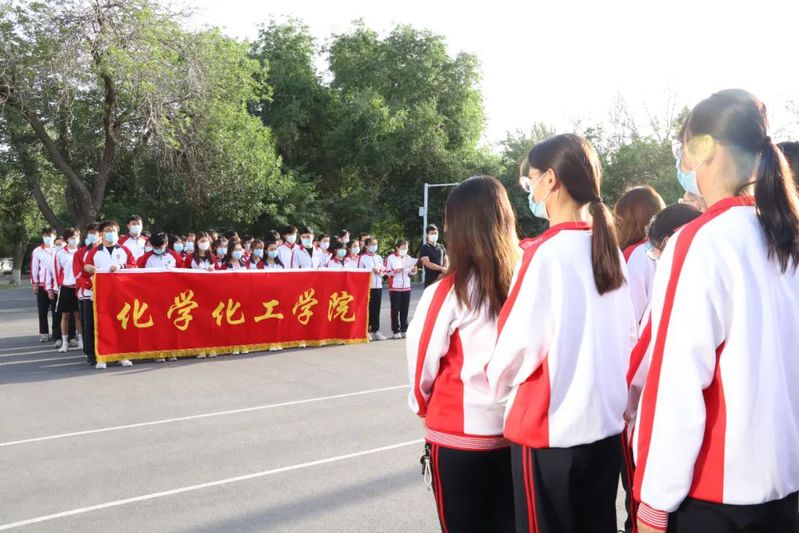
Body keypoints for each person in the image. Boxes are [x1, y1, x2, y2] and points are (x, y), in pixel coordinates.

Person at [632, 90, 799, 533]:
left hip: (715, 496)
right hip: (784, 490)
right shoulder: (785, 234)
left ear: (703, 147)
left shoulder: (701, 241)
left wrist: (653, 503)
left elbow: (675, 383)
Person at [487, 133, 636, 533]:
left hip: (549, 433)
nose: (530, 189)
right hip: (603, 428)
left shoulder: (544, 254)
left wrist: (497, 386)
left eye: (530, 179)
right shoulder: (610, 252)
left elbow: (515, 348)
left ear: (550, 179)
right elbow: (630, 339)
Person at [407, 176, 520, 532]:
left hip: (458, 433)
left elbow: (421, 364)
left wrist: (423, 407)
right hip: (516, 431)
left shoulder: (448, 292)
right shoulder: (526, 280)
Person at [82, 220, 137, 369]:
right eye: (107, 231)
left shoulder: (124, 251)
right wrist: (86, 269)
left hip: (121, 294)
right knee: (100, 326)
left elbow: (134, 267)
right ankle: (99, 356)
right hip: (99, 295)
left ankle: (122, 355)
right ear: (101, 234)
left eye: (113, 231)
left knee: (120, 325)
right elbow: (84, 273)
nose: (110, 233)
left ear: (118, 233)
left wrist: (121, 266)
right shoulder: (94, 252)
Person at [614, 186, 666, 324]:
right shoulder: (665, 248)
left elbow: (630, 311)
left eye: (618, 218)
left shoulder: (634, 253)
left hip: (641, 333)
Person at [50, 228, 83, 353]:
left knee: (78, 316)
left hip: (79, 288)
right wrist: (57, 287)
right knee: (65, 316)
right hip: (66, 288)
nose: (74, 239)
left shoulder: (81, 252)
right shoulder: (60, 254)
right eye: (72, 237)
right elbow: (56, 271)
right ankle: (65, 343)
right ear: (67, 239)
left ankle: (81, 341)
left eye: (76, 237)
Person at [74, 223, 99, 363]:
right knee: (89, 325)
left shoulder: (109, 250)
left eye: (96, 232)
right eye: (91, 233)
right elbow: (78, 274)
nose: (94, 235)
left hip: (107, 293)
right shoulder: (80, 253)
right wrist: (91, 285)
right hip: (88, 294)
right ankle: (90, 353)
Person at [31, 227, 60, 343]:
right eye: (45, 236)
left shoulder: (58, 250)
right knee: (42, 310)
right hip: (42, 284)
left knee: (56, 311)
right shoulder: (37, 251)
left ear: (54, 237)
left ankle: (56, 333)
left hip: (56, 285)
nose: (47, 238)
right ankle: (44, 333)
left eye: (49, 236)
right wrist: (35, 283)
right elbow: (34, 268)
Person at [385, 240, 418, 339]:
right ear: (397, 248)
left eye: (406, 248)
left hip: (406, 286)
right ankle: (396, 330)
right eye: (402, 248)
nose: (404, 250)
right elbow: (387, 272)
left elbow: (410, 273)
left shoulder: (408, 258)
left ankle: (404, 329)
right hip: (395, 287)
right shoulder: (391, 258)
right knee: (395, 310)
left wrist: (414, 271)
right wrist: (396, 271)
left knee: (405, 309)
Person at [359, 237, 386, 341]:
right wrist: (371, 270)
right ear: (366, 246)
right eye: (372, 245)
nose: (374, 246)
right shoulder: (362, 258)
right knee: (368, 309)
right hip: (368, 287)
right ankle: (367, 330)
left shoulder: (378, 257)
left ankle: (376, 330)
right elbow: (360, 272)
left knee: (376, 309)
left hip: (378, 286)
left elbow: (384, 271)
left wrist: (379, 272)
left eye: (375, 244)